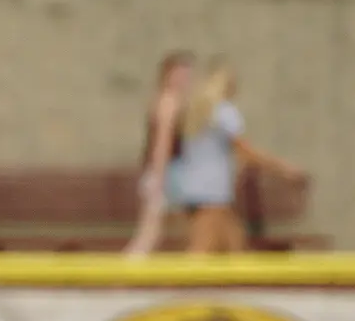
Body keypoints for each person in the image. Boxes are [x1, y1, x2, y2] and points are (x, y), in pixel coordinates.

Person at [165, 60, 304, 254]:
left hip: (193, 189)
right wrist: (285, 168)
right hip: (211, 193)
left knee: (235, 244)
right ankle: (173, 284)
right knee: (202, 250)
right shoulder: (224, 112)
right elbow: (246, 151)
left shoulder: (198, 110)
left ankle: (240, 284)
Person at [123, 51, 194, 256]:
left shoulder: (166, 101)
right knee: (150, 231)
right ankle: (126, 272)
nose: (185, 80)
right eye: (181, 75)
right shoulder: (169, 102)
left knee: (161, 230)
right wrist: (158, 178)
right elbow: (162, 143)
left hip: (167, 172)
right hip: (167, 173)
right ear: (168, 75)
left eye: (187, 75)